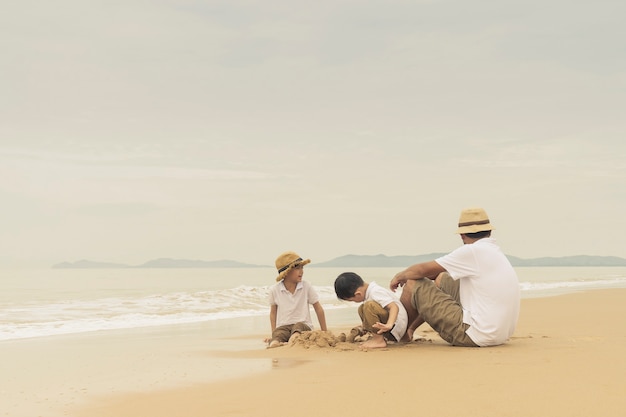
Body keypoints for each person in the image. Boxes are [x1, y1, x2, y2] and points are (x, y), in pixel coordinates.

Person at [389, 207, 520, 347]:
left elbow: (422, 270)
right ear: (489, 232)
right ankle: (410, 329)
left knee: (412, 283)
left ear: (462, 235)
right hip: (499, 334)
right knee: (442, 278)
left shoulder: (472, 251)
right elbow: (435, 272)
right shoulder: (494, 251)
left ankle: (397, 334)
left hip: (476, 335)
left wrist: (399, 276)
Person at [266, 251, 327, 348]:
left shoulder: (306, 286)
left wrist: (324, 331)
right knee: (278, 335)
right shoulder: (275, 290)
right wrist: (274, 334)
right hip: (284, 326)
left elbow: (318, 308)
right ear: (286, 273)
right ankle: (276, 343)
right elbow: (273, 313)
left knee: (298, 328)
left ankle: (291, 342)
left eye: (302, 268)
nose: (301, 271)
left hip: (303, 325)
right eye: (297, 268)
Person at [335, 272, 409, 348]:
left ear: (358, 294)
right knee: (362, 308)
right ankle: (373, 335)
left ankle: (378, 341)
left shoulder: (375, 292)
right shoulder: (370, 293)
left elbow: (394, 307)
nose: (354, 302)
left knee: (369, 306)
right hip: (388, 328)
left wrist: (389, 324)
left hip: (395, 327)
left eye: (352, 300)